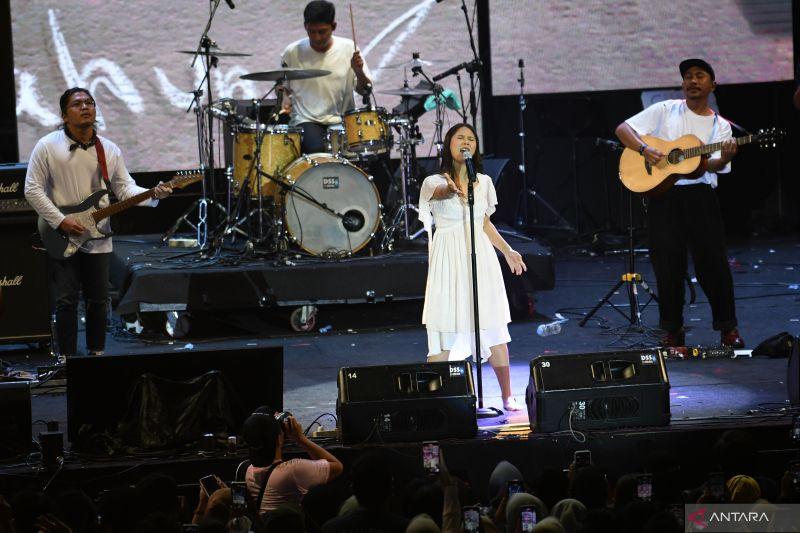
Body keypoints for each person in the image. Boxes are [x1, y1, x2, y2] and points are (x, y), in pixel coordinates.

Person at [24, 87, 172, 358]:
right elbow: (32, 189)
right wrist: (61, 221)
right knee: (67, 300)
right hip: (63, 234)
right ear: (64, 114)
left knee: (98, 300)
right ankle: (66, 361)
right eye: (77, 103)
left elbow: (125, 189)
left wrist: (153, 194)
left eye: (90, 103)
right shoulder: (47, 146)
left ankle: (96, 356)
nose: (85, 107)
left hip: (99, 236)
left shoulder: (109, 150)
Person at [615, 59, 744, 348]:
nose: (693, 81)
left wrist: (724, 158)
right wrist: (645, 149)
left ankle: (728, 328)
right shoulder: (665, 110)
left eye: (700, 76)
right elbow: (623, 129)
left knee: (713, 265)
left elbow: (707, 166)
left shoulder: (720, 126)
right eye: (688, 76)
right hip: (665, 197)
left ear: (712, 85)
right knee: (667, 266)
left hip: (700, 197)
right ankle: (672, 330)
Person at [418, 123, 527, 411]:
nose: (466, 141)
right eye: (460, 138)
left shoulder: (485, 182)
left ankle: (506, 396)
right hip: (449, 258)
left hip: (480, 256)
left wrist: (507, 250)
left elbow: (484, 223)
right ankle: (436, 399)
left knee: (492, 325)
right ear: (448, 145)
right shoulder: (433, 181)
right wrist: (450, 189)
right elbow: (440, 193)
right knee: (445, 324)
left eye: (471, 138)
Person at [280, 0, 373, 154]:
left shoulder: (349, 48)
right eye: (312, 32)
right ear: (305, 27)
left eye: (322, 31)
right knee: (315, 149)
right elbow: (284, 88)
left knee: (366, 150)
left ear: (333, 26)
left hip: (342, 120)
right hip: (306, 119)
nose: (317, 37)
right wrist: (285, 99)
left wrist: (359, 71)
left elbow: (365, 91)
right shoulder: (292, 52)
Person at [242, 407, 343, 518]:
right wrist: (300, 438)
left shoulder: (249, 470)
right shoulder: (293, 470)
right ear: (278, 439)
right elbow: (337, 467)